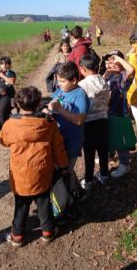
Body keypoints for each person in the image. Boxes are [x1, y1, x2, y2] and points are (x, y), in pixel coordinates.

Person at [0, 86, 69, 247]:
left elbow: (3, 141)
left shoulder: (11, 124)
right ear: (38, 104)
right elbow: (59, 147)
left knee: (21, 206)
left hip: (20, 174)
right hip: (43, 171)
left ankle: (17, 236)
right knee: (43, 202)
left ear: (17, 104)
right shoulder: (49, 123)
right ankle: (48, 231)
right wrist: (64, 166)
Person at [47, 62, 90, 199]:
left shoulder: (80, 95)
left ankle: (74, 195)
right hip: (59, 139)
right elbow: (54, 102)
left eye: (62, 81)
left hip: (72, 140)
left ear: (74, 80)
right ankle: (77, 193)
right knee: (65, 168)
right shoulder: (61, 90)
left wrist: (60, 110)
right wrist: (48, 108)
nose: (59, 84)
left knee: (66, 170)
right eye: (58, 81)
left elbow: (79, 120)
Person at [78, 54, 111, 189]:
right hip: (103, 119)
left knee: (89, 153)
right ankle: (104, 174)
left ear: (83, 69)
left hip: (88, 123)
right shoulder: (104, 81)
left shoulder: (82, 85)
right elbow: (108, 99)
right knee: (103, 149)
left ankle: (89, 179)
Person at [102, 50, 135, 178]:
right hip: (107, 112)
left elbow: (132, 70)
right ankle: (111, 156)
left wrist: (119, 60)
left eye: (115, 61)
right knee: (110, 136)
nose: (112, 64)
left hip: (119, 113)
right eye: (110, 61)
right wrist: (106, 73)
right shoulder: (108, 75)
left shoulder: (123, 75)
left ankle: (124, 165)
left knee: (122, 141)